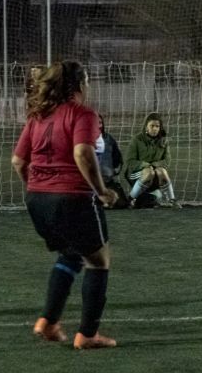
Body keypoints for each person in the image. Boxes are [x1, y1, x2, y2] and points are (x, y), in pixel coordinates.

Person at [11, 60, 118, 349]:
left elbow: (19, 161)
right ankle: (88, 334)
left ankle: (48, 321)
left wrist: (40, 188)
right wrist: (102, 191)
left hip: (37, 200)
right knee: (99, 261)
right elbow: (83, 152)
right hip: (72, 199)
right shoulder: (83, 114)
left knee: (70, 254)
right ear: (80, 84)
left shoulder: (38, 116)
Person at [124, 112, 181, 209]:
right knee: (149, 172)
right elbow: (130, 161)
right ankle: (131, 199)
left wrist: (154, 165)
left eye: (157, 126)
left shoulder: (163, 141)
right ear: (146, 127)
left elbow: (167, 161)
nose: (155, 129)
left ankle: (172, 200)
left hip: (154, 173)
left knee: (161, 171)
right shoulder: (137, 140)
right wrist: (145, 165)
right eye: (152, 126)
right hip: (136, 175)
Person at [97, 114, 127, 209]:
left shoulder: (109, 139)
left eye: (100, 123)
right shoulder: (84, 139)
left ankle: (104, 198)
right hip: (91, 183)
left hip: (108, 181)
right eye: (95, 123)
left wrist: (112, 170)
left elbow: (117, 157)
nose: (98, 125)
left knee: (122, 203)